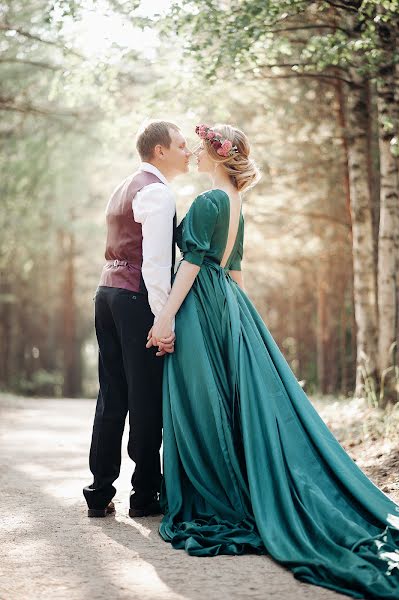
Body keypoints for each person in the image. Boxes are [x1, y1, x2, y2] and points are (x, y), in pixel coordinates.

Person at [147, 123, 399, 598]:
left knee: (201, 402)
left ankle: (215, 495)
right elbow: (235, 271)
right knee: (226, 399)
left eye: (202, 148)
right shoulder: (236, 204)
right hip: (230, 306)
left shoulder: (207, 201)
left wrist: (165, 316)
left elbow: (193, 262)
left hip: (201, 304)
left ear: (221, 155)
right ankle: (232, 483)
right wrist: (244, 330)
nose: (196, 153)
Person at [83, 120, 191, 518]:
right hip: (135, 297)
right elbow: (157, 262)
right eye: (181, 144)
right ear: (160, 150)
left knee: (112, 394)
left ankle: (98, 491)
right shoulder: (158, 192)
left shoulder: (124, 186)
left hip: (106, 293)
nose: (187, 151)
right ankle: (144, 493)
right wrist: (164, 318)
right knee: (145, 399)